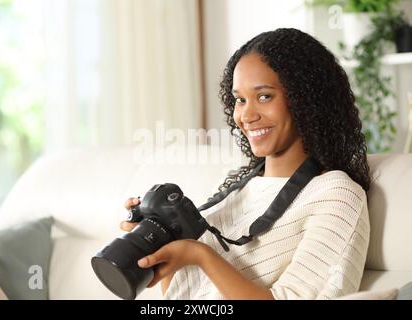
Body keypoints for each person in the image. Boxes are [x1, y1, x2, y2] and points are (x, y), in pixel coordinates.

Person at [121, 28, 371, 300]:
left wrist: (201, 255)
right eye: (240, 100)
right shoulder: (235, 188)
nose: (246, 115)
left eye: (264, 96)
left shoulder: (337, 195)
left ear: (305, 100)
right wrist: (159, 242)